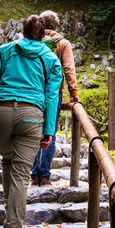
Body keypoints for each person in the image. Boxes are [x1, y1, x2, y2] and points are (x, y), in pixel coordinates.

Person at [0, 15, 62, 228]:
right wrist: (49, 130)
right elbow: (51, 96)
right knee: (21, 175)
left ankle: (9, 215)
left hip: (0, 114)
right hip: (31, 116)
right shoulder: (50, 58)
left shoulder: (5, 51)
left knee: (8, 161)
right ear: (44, 35)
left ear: (22, 32)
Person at [30, 10, 80, 186]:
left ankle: (33, 174)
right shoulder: (63, 43)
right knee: (49, 132)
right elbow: (68, 69)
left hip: (33, 93)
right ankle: (44, 175)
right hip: (53, 94)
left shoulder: (34, 42)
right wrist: (73, 93)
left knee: (33, 132)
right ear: (56, 25)